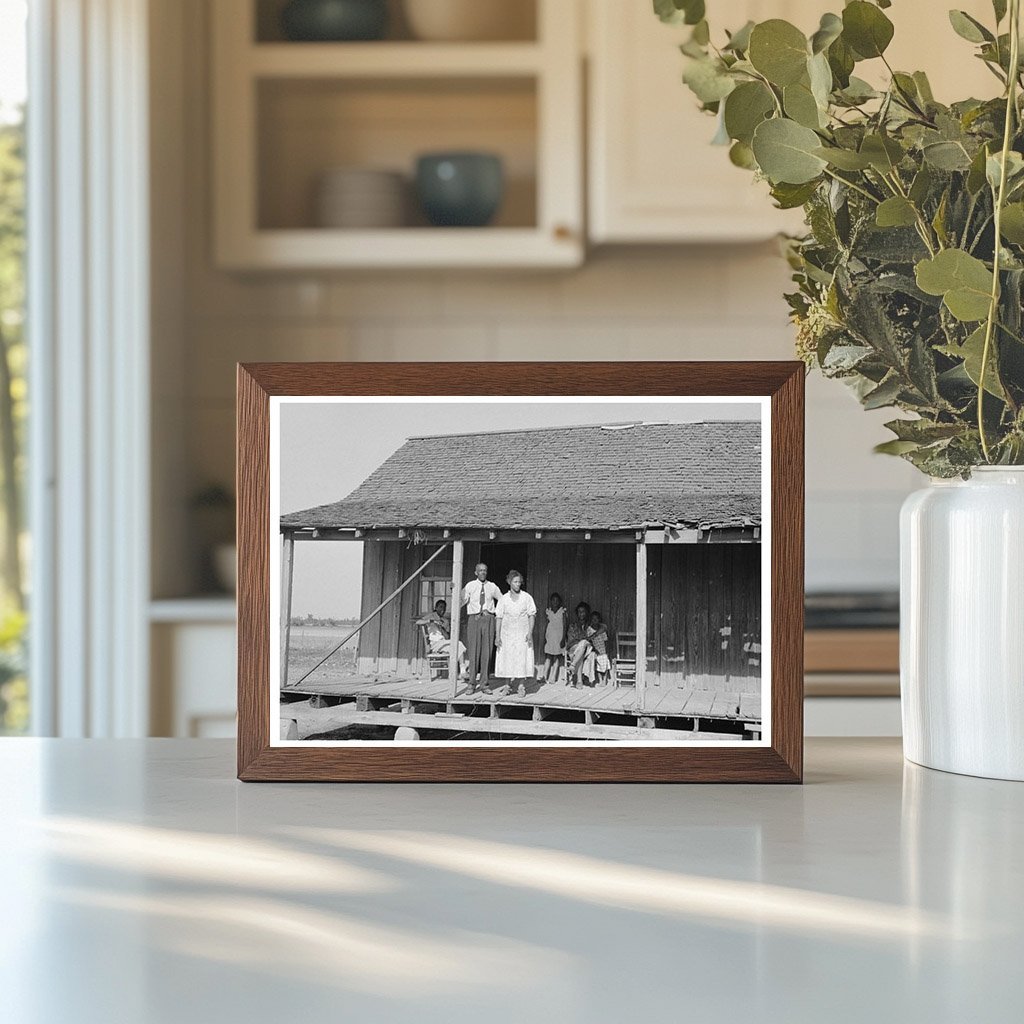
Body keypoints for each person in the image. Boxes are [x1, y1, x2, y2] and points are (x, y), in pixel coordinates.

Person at [494, 569, 537, 697]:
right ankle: (507, 685)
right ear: (509, 582)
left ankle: (521, 686)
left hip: (522, 633)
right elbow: (499, 617)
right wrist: (497, 635)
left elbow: (532, 615)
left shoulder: (526, 597)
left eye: (519, 582)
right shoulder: (504, 599)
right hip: (507, 634)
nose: (518, 584)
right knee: (507, 658)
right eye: (515, 582)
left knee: (521, 658)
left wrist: (530, 632)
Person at [461, 562, 502, 693]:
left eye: (485, 570)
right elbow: (462, 600)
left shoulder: (492, 586)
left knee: (487, 652)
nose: (483, 572)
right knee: (473, 652)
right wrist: (456, 590)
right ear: (476, 572)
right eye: (480, 570)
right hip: (474, 619)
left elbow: (501, 600)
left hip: (488, 619)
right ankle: (471, 684)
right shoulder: (470, 585)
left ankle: (484, 684)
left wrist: (498, 615)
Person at [416, 599, 467, 677]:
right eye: (440, 607)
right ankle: (458, 672)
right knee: (457, 645)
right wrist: (431, 621)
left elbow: (447, 637)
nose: (442, 610)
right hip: (435, 644)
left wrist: (441, 628)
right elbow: (418, 622)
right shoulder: (431, 616)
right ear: (436, 607)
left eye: (444, 608)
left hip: (444, 643)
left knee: (458, 645)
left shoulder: (445, 621)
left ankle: (462, 671)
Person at [565, 601, 595, 687]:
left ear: (586, 613)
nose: (581, 614)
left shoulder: (590, 624)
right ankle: (579, 681)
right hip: (574, 648)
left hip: (587, 649)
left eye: (583, 612)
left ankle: (573, 665)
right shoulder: (573, 625)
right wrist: (582, 640)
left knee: (583, 643)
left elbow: (592, 637)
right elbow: (571, 640)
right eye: (579, 612)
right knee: (580, 650)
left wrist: (582, 640)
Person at [543, 592, 567, 683]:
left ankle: (553, 677)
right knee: (548, 656)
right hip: (550, 636)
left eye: (557, 600)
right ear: (551, 601)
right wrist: (545, 637)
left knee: (556, 657)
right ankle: (544, 676)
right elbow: (547, 624)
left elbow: (565, 625)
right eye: (553, 600)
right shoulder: (548, 611)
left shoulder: (562, 611)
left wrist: (563, 638)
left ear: (560, 602)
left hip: (559, 636)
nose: (555, 602)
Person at [588, 610, 611, 687]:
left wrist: (606, 650)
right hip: (596, 650)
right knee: (598, 666)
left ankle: (604, 680)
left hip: (603, 650)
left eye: (596, 619)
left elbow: (606, 641)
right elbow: (590, 641)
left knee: (605, 664)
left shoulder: (602, 630)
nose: (594, 621)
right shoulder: (589, 630)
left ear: (599, 620)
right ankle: (600, 680)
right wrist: (595, 649)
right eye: (593, 619)